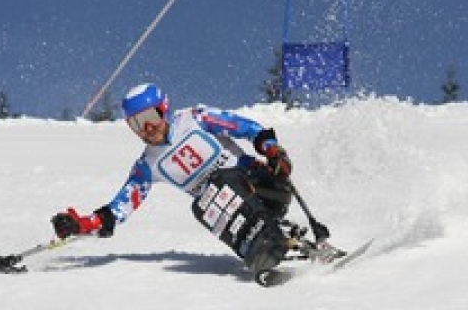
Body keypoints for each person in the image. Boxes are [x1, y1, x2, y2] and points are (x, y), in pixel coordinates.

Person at [52, 83, 331, 277]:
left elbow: (246, 128)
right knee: (203, 205)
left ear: (163, 109)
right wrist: (84, 224)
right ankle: (264, 248)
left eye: (150, 118)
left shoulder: (196, 119)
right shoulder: (148, 165)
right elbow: (119, 208)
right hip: (228, 209)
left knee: (218, 185)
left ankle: (272, 241)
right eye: (137, 124)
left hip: (264, 185)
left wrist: (272, 150)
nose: (147, 129)